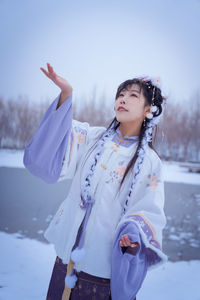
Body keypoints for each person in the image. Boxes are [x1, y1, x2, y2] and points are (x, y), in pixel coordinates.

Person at [23, 63, 168, 300]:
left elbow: (149, 210)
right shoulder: (92, 137)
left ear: (148, 110)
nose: (123, 99)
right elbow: (53, 145)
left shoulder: (150, 162)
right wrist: (66, 95)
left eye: (133, 95)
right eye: (120, 94)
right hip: (65, 260)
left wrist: (131, 237)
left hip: (101, 271)